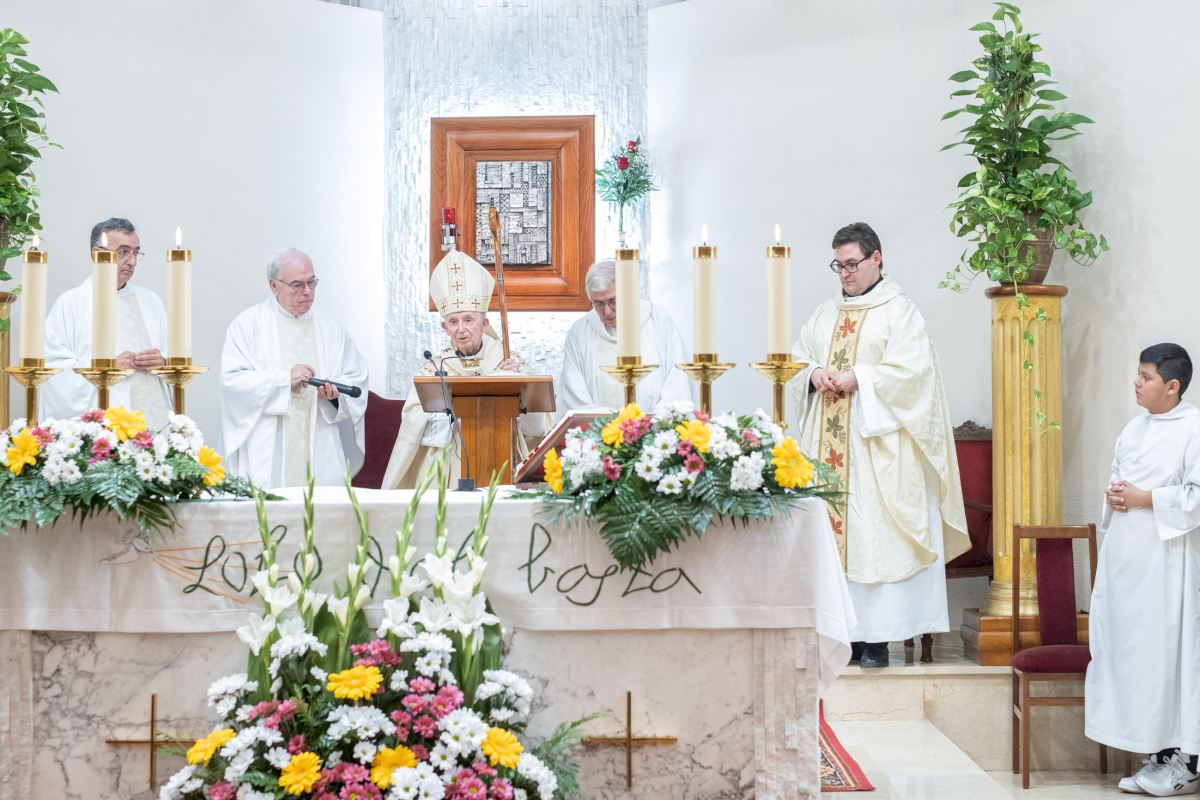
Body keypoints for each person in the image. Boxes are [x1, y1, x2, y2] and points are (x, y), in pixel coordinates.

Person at [791, 222, 969, 668]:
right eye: (838, 265)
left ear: (877, 258)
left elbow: (916, 375)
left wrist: (861, 378)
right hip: (829, 448)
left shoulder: (899, 311)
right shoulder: (825, 314)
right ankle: (844, 636)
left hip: (878, 449)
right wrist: (813, 374)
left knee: (876, 539)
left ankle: (878, 640)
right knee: (833, 540)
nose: (845, 274)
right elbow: (796, 359)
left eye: (852, 264)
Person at [1086, 343, 1200, 796]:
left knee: (1169, 657)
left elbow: (1196, 495)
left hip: (1167, 567)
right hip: (1127, 565)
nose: (1136, 382)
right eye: (1137, 373)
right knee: (1136, 657)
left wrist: (1146, 498)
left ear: (1172, 386)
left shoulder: (1193, 428)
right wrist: (1116, 496)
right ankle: (1157, 755)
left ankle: (1185, 763)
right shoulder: (1134, 428)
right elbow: (1120, 481)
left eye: (1146, 376)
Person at [382, 249, 548, 489]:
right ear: (445, 327)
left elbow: (536, 428)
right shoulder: (434, 370)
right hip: (447, 467)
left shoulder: (509, 363)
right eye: (453, 321)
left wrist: (518, 384)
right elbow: (412, 420)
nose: (461, 329)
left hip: (501, 458)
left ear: (484, 323)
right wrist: (451, 413)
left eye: (468, 320)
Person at [220, 247, 368, 489]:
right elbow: (233, 383)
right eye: (298, 285)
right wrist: (283, 380)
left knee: (321, 510)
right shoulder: (249, 325)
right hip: (269, 451)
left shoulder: (331, 327)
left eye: (312, 282)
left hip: (321, 446)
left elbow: (356, 378)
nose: (307, 291)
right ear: (273, 285)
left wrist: (333, 397)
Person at [42, 217, 171, 427]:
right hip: (102, 429)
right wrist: (105, 368)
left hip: (153, 424)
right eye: (123, 252)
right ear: (97, 253)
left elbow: (173, 356)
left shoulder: (150, 301)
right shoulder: (72, 302)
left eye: (135, 252)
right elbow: (54, 370)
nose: (132, 261)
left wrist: (162, 362)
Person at [557, 259, 693, 414]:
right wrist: (613, 422)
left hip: (654, 426)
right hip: (598, 428)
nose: (607, 312)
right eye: (599, 304)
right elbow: (574, 399)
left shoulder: (659, 321)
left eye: (613, 301)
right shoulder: (580, 333)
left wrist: (647, 423)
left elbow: (677, 385)